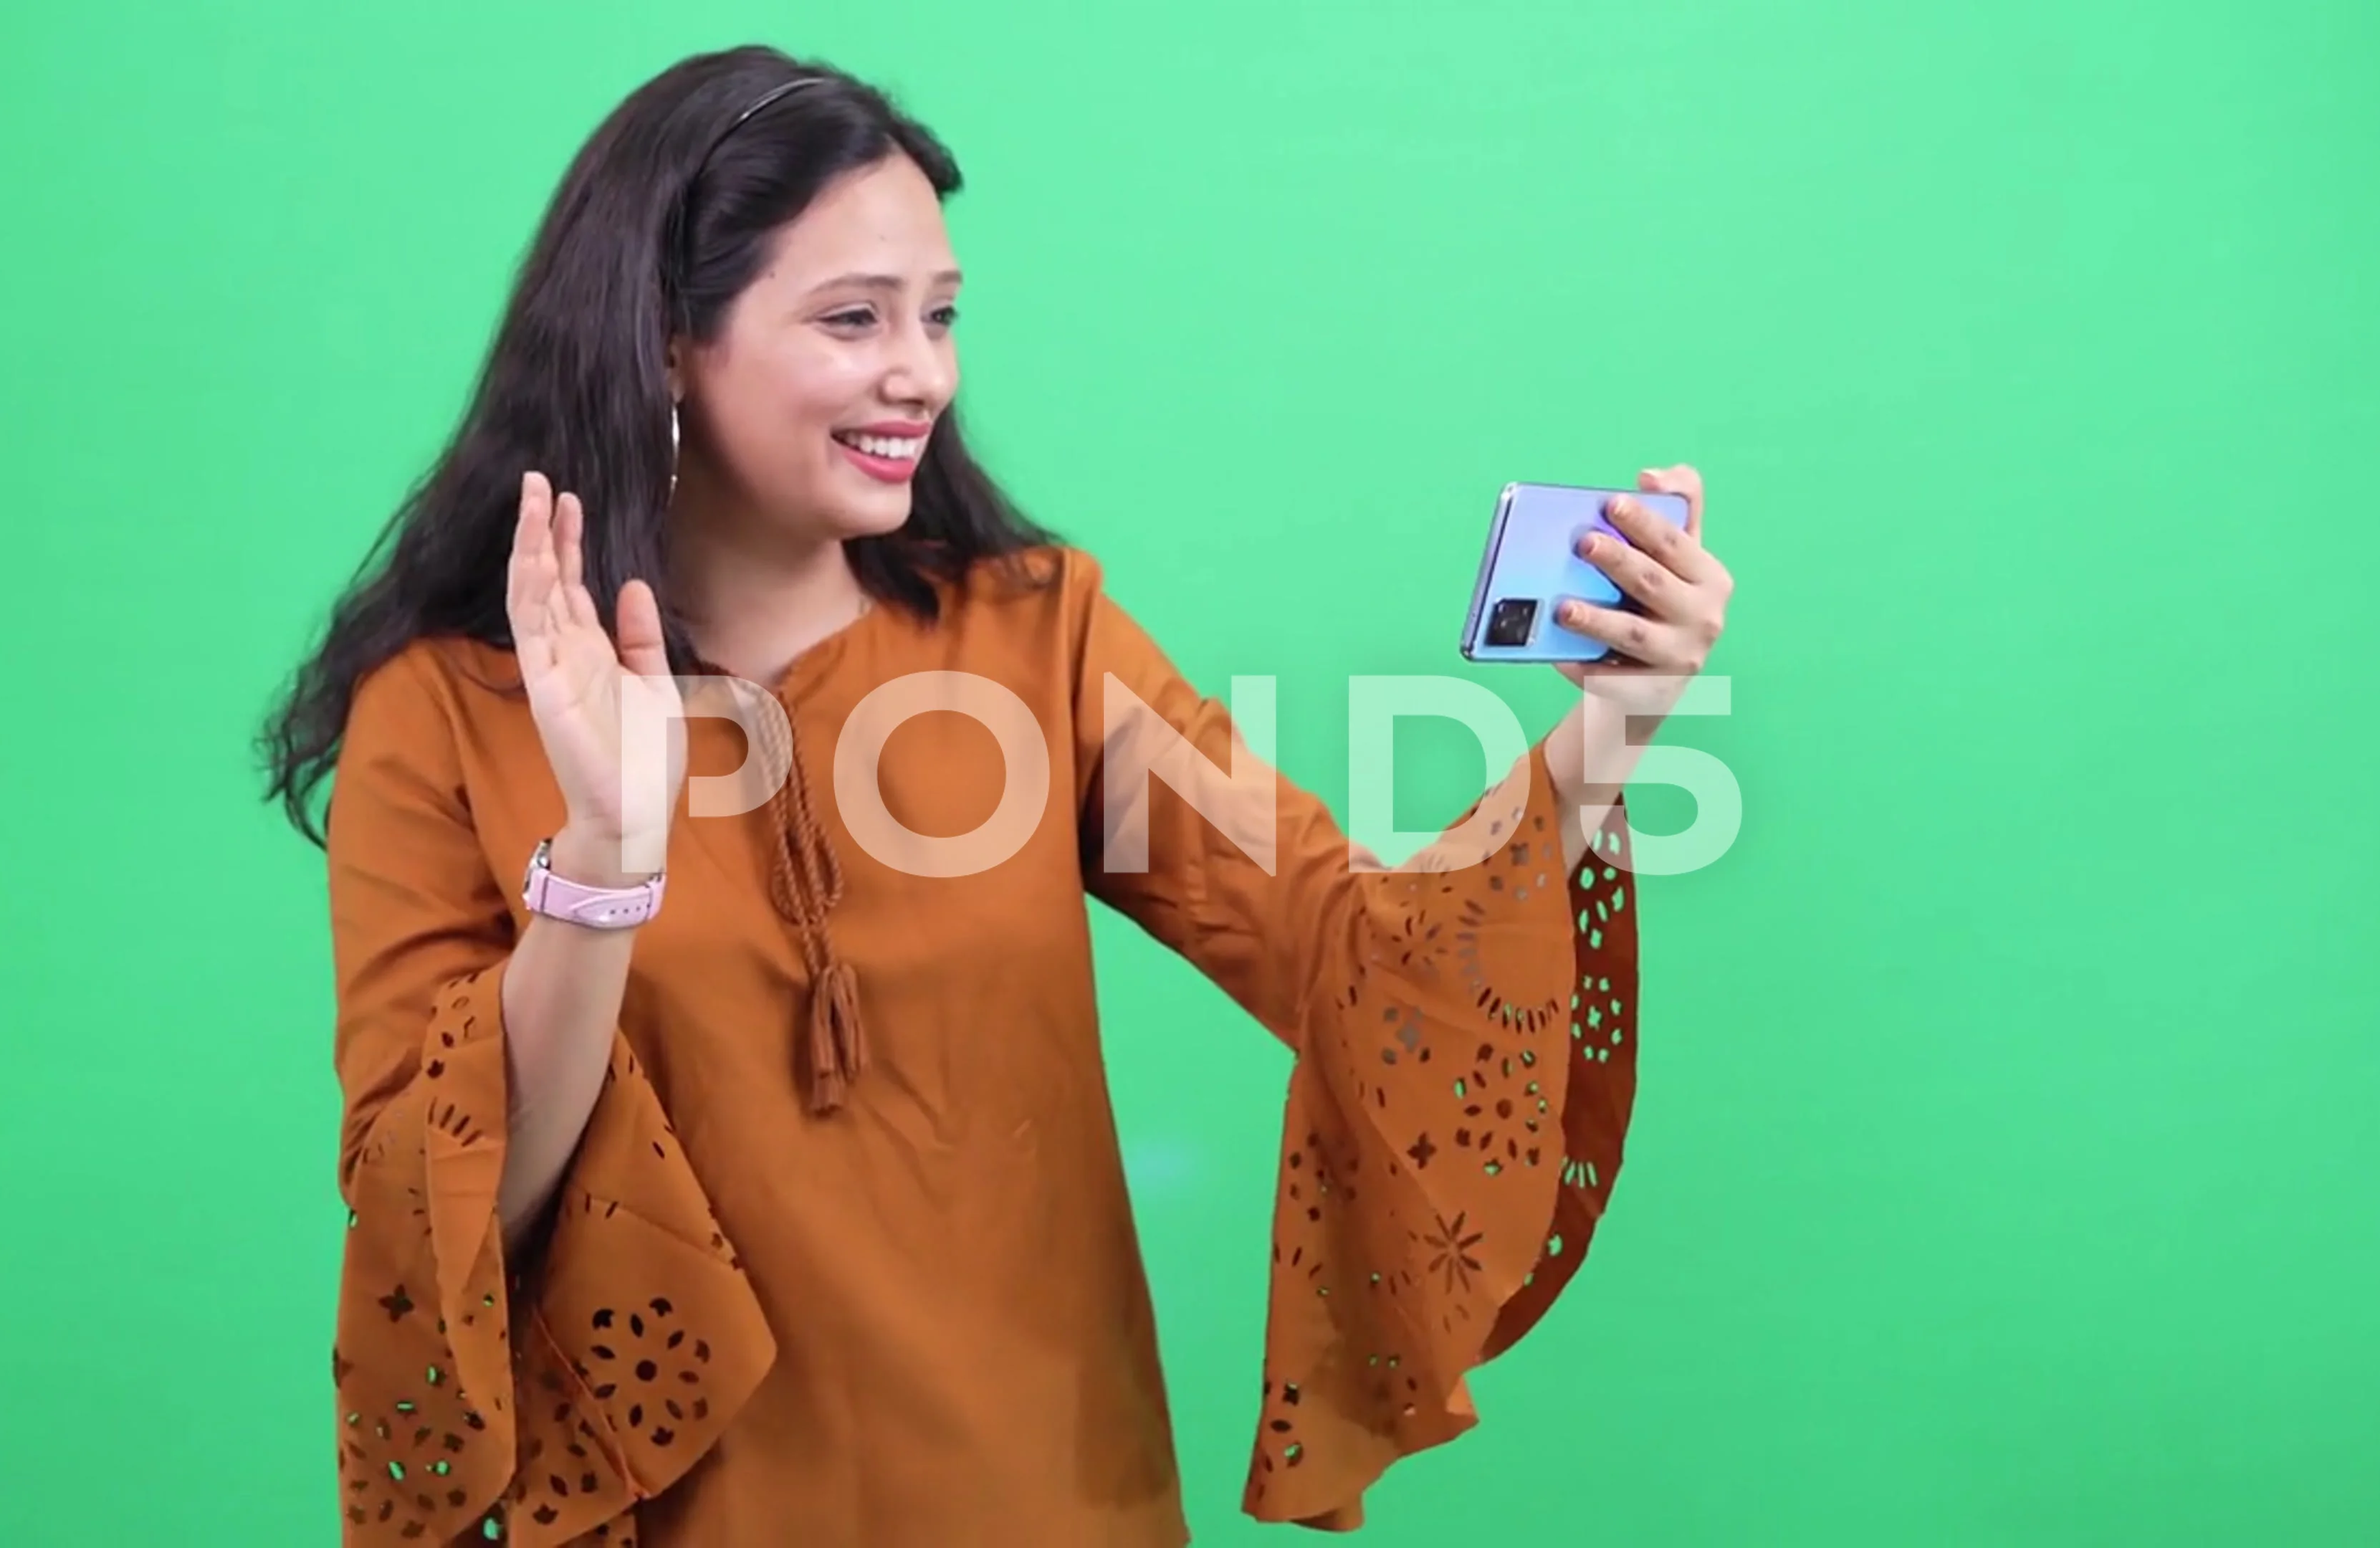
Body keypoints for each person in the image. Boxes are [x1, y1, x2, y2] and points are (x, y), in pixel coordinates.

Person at [257, 43, 1732, 1548]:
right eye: (853, 319)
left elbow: (1356, 958)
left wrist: (1613, 726)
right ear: (661, 341)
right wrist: (609, 855)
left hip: (1057, 1503)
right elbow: (437, 1227)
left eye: (941, 315)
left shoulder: (1036, 639)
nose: (925, 373)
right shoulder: (442, 714)